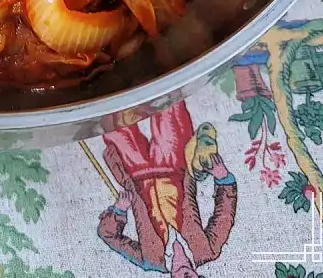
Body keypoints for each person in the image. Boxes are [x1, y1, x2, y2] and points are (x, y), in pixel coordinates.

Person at [97, 100, 237, 274]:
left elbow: (108, 234)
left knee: (113, 118)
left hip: (136, 172)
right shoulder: (207, 251)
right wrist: (222, 177)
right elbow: (224, 215)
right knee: (167, 104)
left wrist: (119, 211)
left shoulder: (150, 260)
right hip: (173, 165)